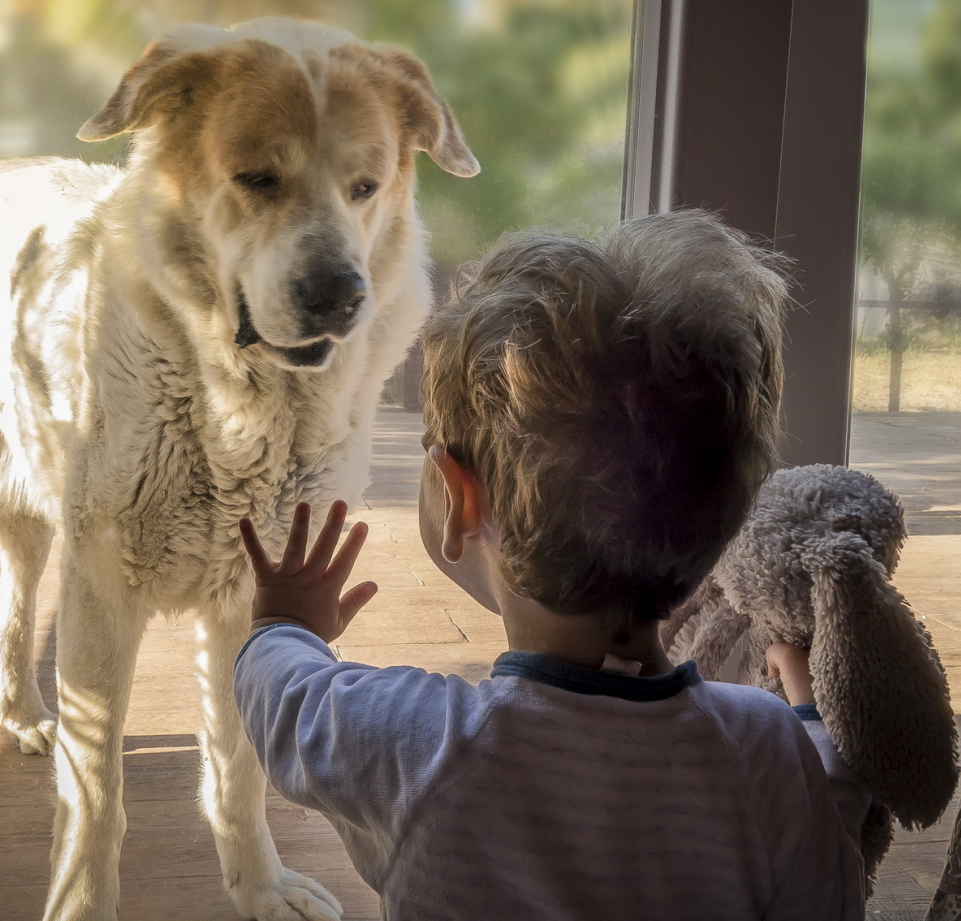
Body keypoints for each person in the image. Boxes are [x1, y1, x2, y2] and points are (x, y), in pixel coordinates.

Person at [234, 213, 868, 920]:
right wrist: (809, 722)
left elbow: (282, 700)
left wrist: (285, 622)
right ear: (724, 518)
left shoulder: (414, 745)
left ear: (460, 499)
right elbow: (825, 858)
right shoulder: (765, 753)